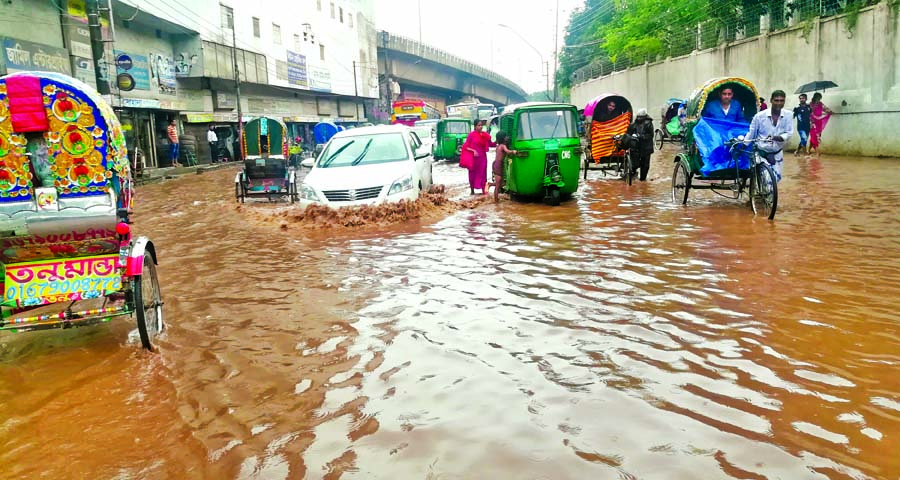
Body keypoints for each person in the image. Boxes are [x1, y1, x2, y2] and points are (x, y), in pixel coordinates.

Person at [746, 90, 793, 181]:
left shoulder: (788, 115)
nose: (779, 103)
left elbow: (789, 132)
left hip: (777, 153)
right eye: (776, 100)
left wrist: (778, 137)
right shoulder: (759, 116)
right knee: (766, 179)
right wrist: (744, 145)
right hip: (762, 153)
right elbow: (751, 133)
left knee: (776, 179)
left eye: (781, 101)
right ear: (771, 100)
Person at [461, 119, 492, 195]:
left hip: (483, 158)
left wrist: (499, 141)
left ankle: (483, 191)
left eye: (481, 125)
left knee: (483, 174)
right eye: (479, 125)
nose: (480, 127)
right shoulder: (471, 135)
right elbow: (465, 147)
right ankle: (472, 191)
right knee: (472, 174)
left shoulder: (485, 135)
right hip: (474, 159)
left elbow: (491, 144)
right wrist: (473, 151)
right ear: (475, 126)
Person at [625, 108, 655, 181]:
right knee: (635, 163)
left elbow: (651, 135)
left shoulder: (649, 124)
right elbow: (628, 134)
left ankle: (642, 179)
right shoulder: (633, 125)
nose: (639, 118)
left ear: (644, 117)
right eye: (638, 117)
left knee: (645, 165)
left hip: (646, 147)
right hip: (636, 146)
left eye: (641, 117)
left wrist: (641, 136)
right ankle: (633, 172)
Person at [491, 131, 516, 203]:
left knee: (501, 183)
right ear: (503, 138)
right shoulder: (502, 146)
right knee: (498, 184)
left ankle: (490, 184)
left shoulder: (498, 146)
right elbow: (507, 152)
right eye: (506, 136)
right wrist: (513, 152)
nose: (507, 138)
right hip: (498, 164)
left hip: (497, 164)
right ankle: (496, 202)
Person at [809, 92, 833, 156]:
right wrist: (813, 108)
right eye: (818, 98)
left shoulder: (820, 104)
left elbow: (825, 109)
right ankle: (817, 152)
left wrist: (830, 111)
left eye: (820, 98)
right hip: (812, 122)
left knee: (816, 137)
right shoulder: (810, 104)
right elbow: (808, 113)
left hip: (819, 122)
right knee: (815, 136)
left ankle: (808, 150)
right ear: (815, 98)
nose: (819, 100)